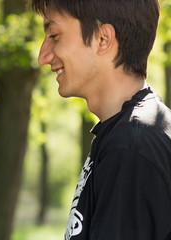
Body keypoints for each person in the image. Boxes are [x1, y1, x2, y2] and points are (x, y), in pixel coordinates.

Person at [32, 0, 171, 239]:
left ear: (103, 39)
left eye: (54, 35)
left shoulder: (131, 147)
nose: (42, 56)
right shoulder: (126, 135)